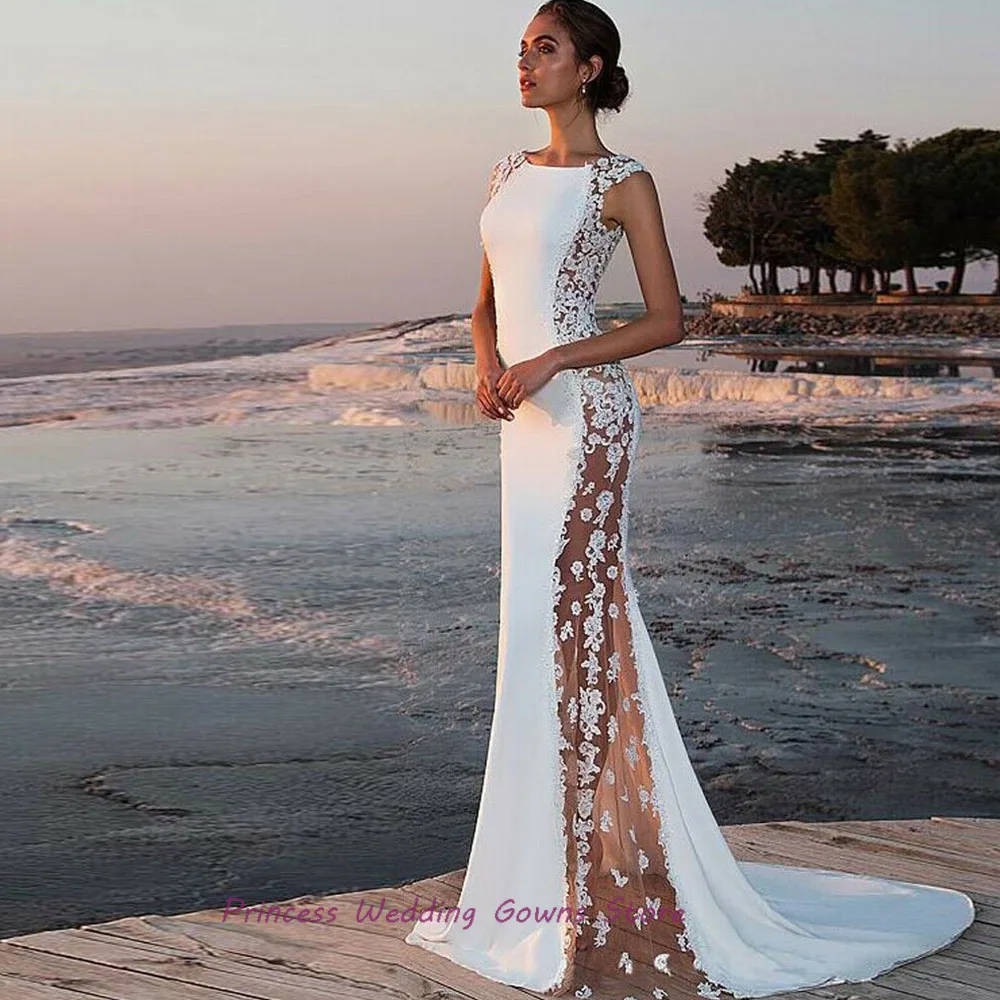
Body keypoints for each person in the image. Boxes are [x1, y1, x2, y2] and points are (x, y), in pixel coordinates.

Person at [405, 3, 975, 997]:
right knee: (532, 631)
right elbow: (484, 302)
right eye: (521, 49)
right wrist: (489, 363)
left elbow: (669, 319)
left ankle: (592, 873)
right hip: (523, 431)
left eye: (545, 48)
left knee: (579, 627)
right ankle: (542, 869)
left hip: (584, 424)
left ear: (589, 67)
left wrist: (552, 359)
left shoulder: (622, 181)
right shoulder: (504, 173)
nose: (524, 63)